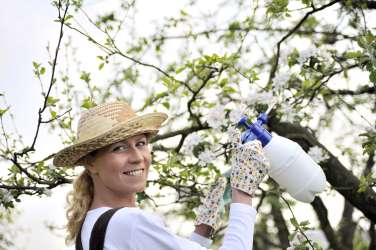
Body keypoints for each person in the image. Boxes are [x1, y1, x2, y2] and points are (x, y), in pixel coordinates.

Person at [53, 101, 269, 250]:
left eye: (141, 143)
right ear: (91, 163)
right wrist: (243, 190)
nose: (137, 157)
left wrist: (202, 234)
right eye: (119, 148)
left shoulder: (90, 225)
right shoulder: (130, 223)